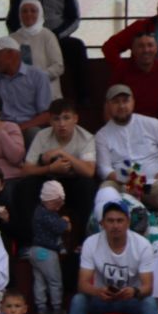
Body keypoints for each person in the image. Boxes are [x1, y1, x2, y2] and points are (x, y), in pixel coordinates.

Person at [94, 84, 158, 237]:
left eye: (125, 101)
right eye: (116, 102)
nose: (121, 106)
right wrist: (127, 180)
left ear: (133, 102)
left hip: (150, 183)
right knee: (105, 190)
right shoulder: (102, 135)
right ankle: (110, 243)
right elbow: (103, 168)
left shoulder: (149, 123)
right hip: (121, 185)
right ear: (108, 106)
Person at [6, 0, 85, 96]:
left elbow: (74, 19)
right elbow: (12, 21)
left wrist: (56, 36)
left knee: (77, 47)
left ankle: (83, 97)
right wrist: (21, 37)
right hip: (27, 40)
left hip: (58, 38)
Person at [20, 97, 98, 237]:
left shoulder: (86, 138)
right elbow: (26, 170)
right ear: (50, 121)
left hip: (73, 182)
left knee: (88, 185)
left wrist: (62, 153)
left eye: (66, 118)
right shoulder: (42, 136)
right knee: (26, 184)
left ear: (75, 119)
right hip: (48, 180)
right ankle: (28, 238)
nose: (62, 124)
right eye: (56, 119)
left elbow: (89, 171)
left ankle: (82, 238)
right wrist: (50, 169)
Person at [101, 32, 158, 125]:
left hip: (157, 126)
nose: (146, 50)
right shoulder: (122, 69)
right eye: (140, 46)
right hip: (128, 125)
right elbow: (110, 104)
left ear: (157, 48)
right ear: (133, 50)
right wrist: (113, 132)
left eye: (150, 45)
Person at [0, 36, 52, 131]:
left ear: (11, 54)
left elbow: (46, 114)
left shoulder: (38, 76)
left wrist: (19, 128)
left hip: (28, 127)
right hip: (0, 128)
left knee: (33, 133)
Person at [27, 180, 70, 314]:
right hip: (46, 252)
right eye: (58, 202)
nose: (61, 205)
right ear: (50, 200)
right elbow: (61, 227)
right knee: (54, 280)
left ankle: (41, 307)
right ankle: (56, 308)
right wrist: (66, 220)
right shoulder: (46, 214)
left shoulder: (38, 211)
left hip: (34, 251)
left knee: (39, 280)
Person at [12, 0, 65, 85]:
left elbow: (58, 66)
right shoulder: (13, 38)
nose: (28, 14)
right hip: (20, 89)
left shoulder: (48, 36)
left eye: (33, 11)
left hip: (47, 89)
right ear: (19, 14)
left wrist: (38, 77)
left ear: (40, 13)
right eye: (24, 11)